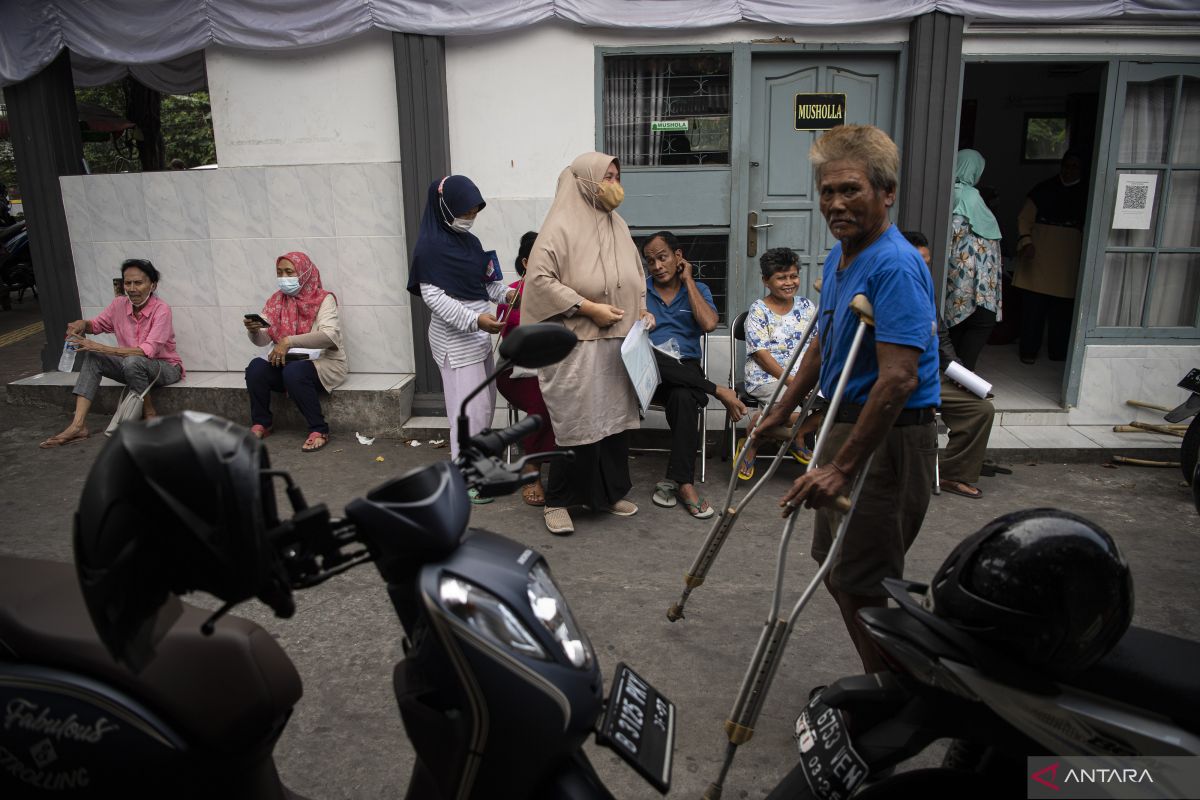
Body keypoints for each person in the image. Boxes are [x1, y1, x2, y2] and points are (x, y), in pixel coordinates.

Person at [758, 125, 940, 674]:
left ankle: (895, 691)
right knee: (835, 566)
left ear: (886, 193)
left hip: (886, 437)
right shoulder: (842, 258)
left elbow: (900, 378)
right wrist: (783, 411)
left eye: (851, 190)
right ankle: (886, 679)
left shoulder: (895, 264)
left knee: (859, 578)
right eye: (827, 192)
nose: (835, 203)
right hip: (847, 424)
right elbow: (822, 343)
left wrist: (840, 466)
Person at [521, 152, 647, 535]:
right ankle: (558, 501)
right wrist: (588, 307)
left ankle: (607, 495)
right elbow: (539, 281)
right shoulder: (559, 227)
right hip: (576, 343)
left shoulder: (618, 224)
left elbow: (635, 276)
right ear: (584, 180)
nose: (614, 184)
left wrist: (642, 310)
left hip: (618, 343)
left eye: (616, 176)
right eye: (606, 176)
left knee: (611, 425)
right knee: (576, 425)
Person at [407, 175, 514, 503]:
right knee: (467, 412)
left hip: (480, 336)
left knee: (483, 407)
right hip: (455, 340)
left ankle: (478, 465)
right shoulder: (428, 248)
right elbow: (434, 298)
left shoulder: (472, 244)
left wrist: (509, 295)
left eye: (474, 212)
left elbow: (489, 285)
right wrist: (474, 319)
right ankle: (465, 477)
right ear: (444, 207)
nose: (470, 217)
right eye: (464, 211)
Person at [642, 230, 746, 519]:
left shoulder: (698, 288)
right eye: (650, 261)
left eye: (662, 258)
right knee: (659, 361)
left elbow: (710, 323)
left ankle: (682, 482)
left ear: (678, 256)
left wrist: (688, 281)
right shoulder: (641, 290)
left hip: (685, 370)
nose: (657, 266)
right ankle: (717, 391)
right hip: (651, 369)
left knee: (684, 396)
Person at [39, 258, 184, 448]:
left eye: (138, 283)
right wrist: (83, 324)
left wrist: (101, 347)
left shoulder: (161, 310)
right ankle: (78, 425)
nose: (132, 288)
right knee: (93, 357)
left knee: (133, 360)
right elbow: (97, 325)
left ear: (152, 285)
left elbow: (146, 351)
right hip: (131, 367)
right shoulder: (119, 305)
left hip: (164, 369)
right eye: (128, 283)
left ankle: (149, 414)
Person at [906, 231, 996, 500]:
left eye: (927, 261)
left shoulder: (924, 288)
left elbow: (940, 336)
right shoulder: (882, 288)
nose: (923, 268)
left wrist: (958, 371)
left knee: (980, 409)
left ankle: (952, 473)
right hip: (894, 376)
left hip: (929, 374)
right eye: (917, 261)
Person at [243, 251, 347, 452]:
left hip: (323, 363)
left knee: (295, 371)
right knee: (255, 368)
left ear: (304, 272)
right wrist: (254, 331)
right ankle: (262, 424)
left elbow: (328, 336)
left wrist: (288, 341)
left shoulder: (324, 299)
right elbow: (263, 339)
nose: (284, 278)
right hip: (287, 363)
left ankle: (319, 428)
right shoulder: (276, 300)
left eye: (289, 272)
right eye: (279, 272)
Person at [734, 246, 821, 481]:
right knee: (791, 413)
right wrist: (794, 382)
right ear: (766, 281)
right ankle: (752, 444)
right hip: (768, 377)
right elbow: (761, 355)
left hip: (804, 377)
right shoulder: (758, 310)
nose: (789, 282)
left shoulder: (807, 307)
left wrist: (808, 378)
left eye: (793, 276)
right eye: (781, 277)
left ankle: (791, 433)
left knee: (843, 402)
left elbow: (818, 346)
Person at [495, 230, 557, 507]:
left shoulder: (559, 292)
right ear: (525, 263)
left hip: (552, 367)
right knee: (543, 398)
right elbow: (510, 335)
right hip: (514, 370)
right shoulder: (511, 294)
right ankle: (532, 470)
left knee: (568, 390)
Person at [1013, 150, 1087, 364]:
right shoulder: (1043, 189)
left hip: (1068, 259)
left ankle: (1058, 352)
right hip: (1040, 257)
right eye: (1067, 165)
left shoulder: (1087, 193)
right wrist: (1026, 242)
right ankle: (1028, 351)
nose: (1070, 170)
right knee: (1033, 310)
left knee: (1062, 313)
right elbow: (1024, 218)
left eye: (1075, 166)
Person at [944, 149, 1003, 371]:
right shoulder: (968, 196)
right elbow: (955, 233)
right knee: (980, 323)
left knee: (958, 325)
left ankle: (955, 378)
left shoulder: (955, 193)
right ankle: (963, 379)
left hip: (960, 277)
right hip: (974, 280)